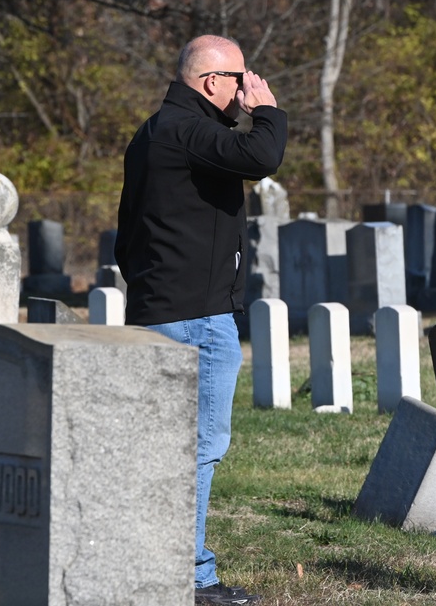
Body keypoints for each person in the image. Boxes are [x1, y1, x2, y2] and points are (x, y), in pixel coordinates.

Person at [115, 35, 287, 605]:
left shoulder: (153, 131)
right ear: (211, 82)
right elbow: (262, 158)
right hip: (194, 318)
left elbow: (126, 234)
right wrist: (267, 112)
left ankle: (146, 563)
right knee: (197, 445)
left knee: (162, 446)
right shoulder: (187, 130)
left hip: (159, 308)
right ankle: (189, 574)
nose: (247, 86)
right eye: (240, 77)